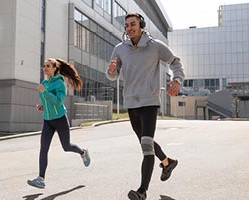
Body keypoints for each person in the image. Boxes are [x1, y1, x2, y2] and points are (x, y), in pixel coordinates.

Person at [106, 13, 185, 200]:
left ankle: (142, 191)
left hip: (149, 101)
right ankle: (167, 162)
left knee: (146, 145)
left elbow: (175, 62)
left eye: (133, 24)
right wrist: (110, 71)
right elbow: (113, 75)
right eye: (126, 25)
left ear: (141, 25)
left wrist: (177, 80)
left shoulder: (155, 46)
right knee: (144, 141)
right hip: (131, 103)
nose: (129, 28)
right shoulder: (119, 49)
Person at [27, 58, 91, 189]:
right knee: (43, 149)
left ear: (55, 68)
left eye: (48, 66)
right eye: (44, 66)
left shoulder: (59, 83)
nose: (45, 68)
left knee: (66, 146)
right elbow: (48, 102)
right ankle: (40, 179)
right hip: (47, 121)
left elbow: (58, 101)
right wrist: (42, 106)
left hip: (60, 119)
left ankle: (83, 152)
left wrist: (44, 91)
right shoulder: (44, 82)